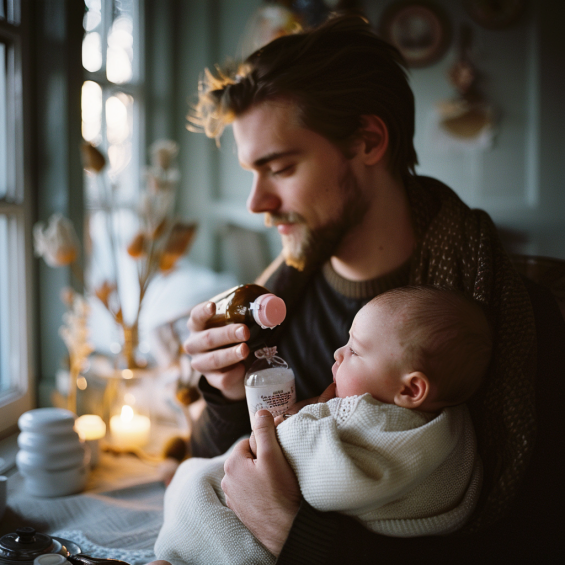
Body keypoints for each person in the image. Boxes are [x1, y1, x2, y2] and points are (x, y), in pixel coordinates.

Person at [183, 14, 565, 563]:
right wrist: (223, 390)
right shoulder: (274, 305)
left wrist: (293, 531)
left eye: (281, 167)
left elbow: (535, 539)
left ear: (368, 140)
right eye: (252, 172)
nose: (255, 203)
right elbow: (217, 472)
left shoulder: (511, 319)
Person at [156, 287, 491, 565]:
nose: (338, 353)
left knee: (197, 485)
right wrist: (228, 394)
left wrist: (295, 421)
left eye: (355, 351)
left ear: (410, 389)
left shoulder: (371, 418)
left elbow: (327, 482)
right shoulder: (452, 426)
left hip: (279, 545)